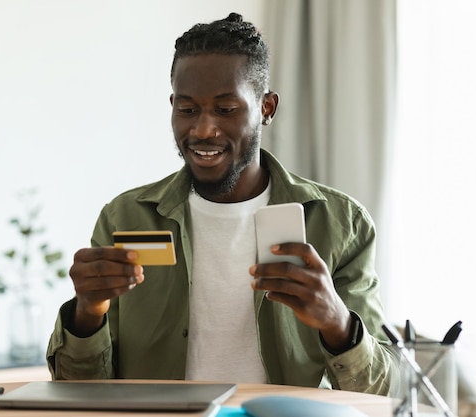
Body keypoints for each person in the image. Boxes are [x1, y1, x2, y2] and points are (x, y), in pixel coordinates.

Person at [47, 12, 394, 394]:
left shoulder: (342, 223)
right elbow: (77, 392)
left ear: (266, 108)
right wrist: (87, 313)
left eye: (226, 109)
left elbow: (379, 394)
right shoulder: (125, 216)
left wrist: (337, 323)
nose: (202, 130)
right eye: (187, 109)